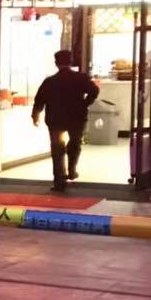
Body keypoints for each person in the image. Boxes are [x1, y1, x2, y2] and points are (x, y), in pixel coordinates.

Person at [31, 49, 100, 193]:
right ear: (71, 61)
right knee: (75, 143)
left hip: (55, 119)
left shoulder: (50, 81)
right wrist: (85, 103)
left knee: (57, 149)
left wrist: (35, 115)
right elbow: (94, 91)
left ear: (56, 63)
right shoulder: (81, 78)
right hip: (77, 117)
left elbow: (39, 99)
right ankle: (72, 169)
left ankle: (59, 181)